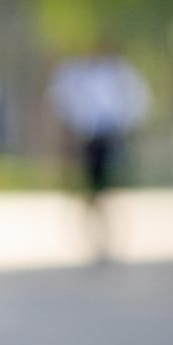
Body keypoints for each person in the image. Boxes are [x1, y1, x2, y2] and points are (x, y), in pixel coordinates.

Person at [48, 42, 149, 261]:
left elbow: (135, 102)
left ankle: (108, 238)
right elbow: (65, 103)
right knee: (90, 191)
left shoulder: (118, 73)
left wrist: (124, 126)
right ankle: (95, 238)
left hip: (109, 136)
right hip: (88, 138)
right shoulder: (77, 75)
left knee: (108, 190)